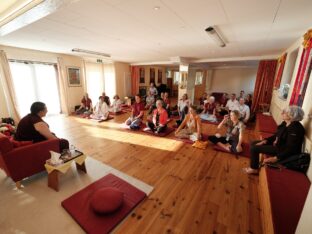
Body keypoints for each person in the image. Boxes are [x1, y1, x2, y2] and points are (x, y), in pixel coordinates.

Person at [243, 106, 305, 174]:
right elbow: (276, 135)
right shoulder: (285, 123)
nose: (282, 113)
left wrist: (276, 158)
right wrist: (265, 140)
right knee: (253, 143)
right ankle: (255, 164)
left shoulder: (296, 129)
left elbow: (291, 148)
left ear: (292, 115)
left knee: (254, 148)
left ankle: (254, 168)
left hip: (282, 150)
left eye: (285, 112)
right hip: (278, 145)